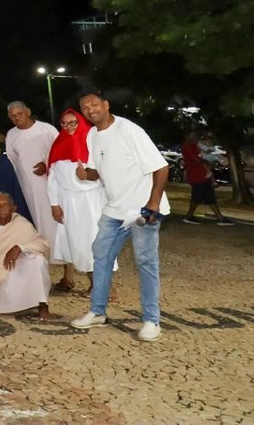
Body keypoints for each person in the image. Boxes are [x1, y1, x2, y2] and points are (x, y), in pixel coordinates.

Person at [70, 91, 170, 342]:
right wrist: (86, 174)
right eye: (84, 107)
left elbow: (161, 166)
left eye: (94, 104)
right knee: (101, 255)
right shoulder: (93, 134)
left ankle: (151, 320)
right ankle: (97, 312)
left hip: (141, 209)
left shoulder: (128, 130)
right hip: (114, 209)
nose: (90, 109)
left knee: (146, 261)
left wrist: (153, 203)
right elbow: (100, 171)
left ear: (106, 105)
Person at [46, 109, 107, 294]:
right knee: (69, 241)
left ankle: (103, 285)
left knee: (93, 241)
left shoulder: (92, 141)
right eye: (64, 124)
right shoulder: (59, 144)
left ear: (80, 122)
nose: (68, 127)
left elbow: (103, 172)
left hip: (89, 201)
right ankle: (70, 279)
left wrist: (87, 175)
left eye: (73, 123)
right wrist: (54, 204)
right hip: (67, 201)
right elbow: (52, 177)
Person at [0, 192, 53, 321]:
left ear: (13, 208)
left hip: (19, 268)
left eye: (6, 205)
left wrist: (19, 248)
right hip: (0, 273)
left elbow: (42, 244)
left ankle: (42, 305)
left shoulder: (22, 224)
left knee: (38, 260)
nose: (2, 208)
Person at [4, 101, 60, 261]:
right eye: (12, 116)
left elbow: (60, 153)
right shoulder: (11, 135)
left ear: (28, 111)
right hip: (28, 190)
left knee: (57, 227)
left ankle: (67, 272)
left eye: (19, 114)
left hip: (50, 188)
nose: (16, 118)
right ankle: (42, 267)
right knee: (37, 229)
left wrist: (46, 164)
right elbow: (14, 162)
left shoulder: (46, 130)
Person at [181, 131, 233, 225]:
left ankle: (219, 217)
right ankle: (190, 215)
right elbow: (196, 158)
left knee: (209, 195)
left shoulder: (195, 145)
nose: (195, 137)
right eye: (193, 135)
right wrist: (207, 162)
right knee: (198, 195)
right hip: (196, 174)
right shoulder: (188, 146)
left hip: (202, 174)